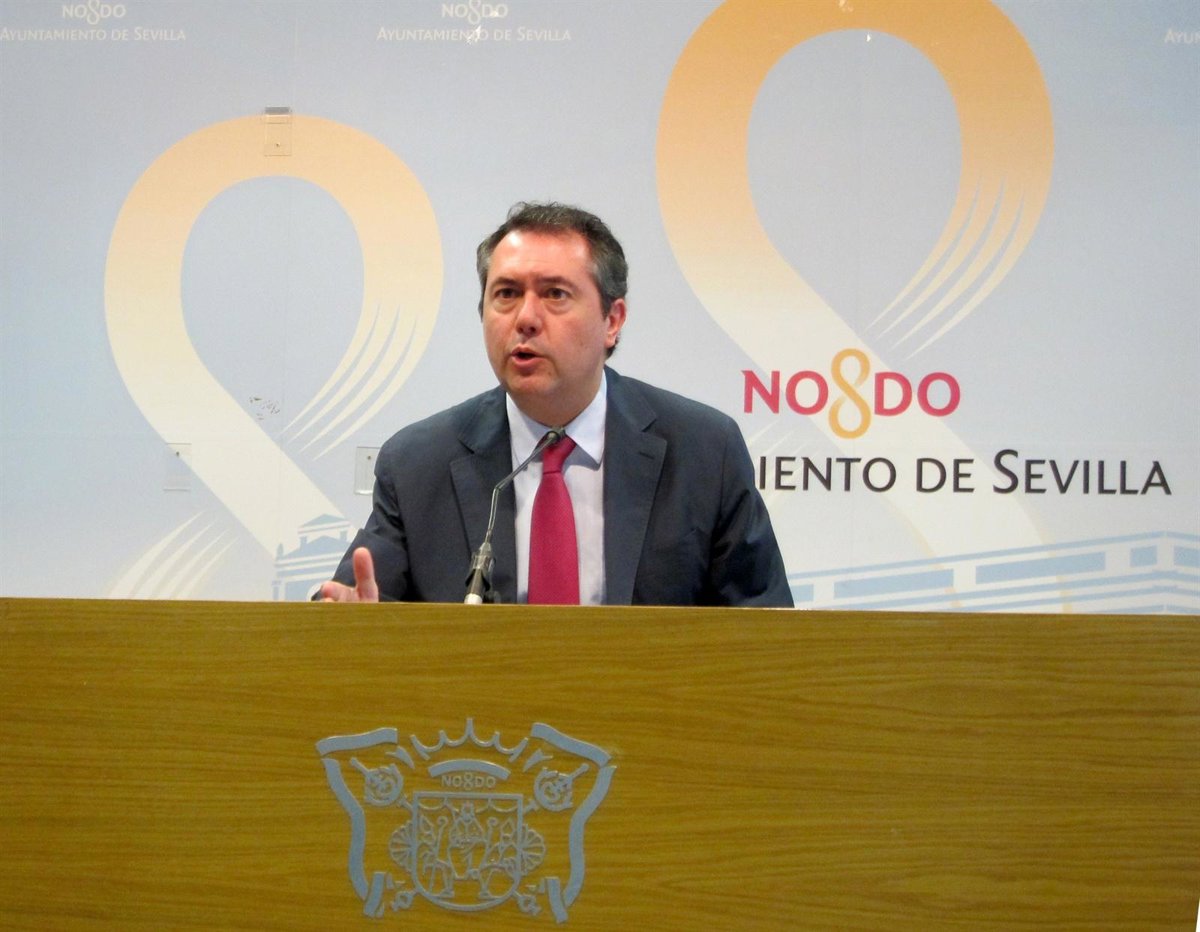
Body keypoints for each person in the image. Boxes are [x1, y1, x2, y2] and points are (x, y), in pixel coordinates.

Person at [319, 202, 792, 607]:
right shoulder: (418, 463)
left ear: (613, 320)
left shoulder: (704, 452)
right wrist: (348, 628)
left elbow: (767, 634)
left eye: (555, 294)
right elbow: (355, 604)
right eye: (506, 294)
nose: (525, 318)